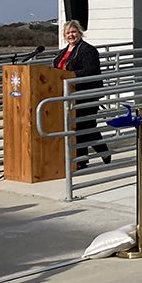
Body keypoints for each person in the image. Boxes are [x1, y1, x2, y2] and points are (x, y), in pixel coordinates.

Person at [56, 19, 111, 170]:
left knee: (83, 126)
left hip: (86, 94)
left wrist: (69, 75)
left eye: (73, 32)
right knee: (82, 127)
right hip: (69, 95)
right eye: (68, 32)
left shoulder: (88, 50)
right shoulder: (63, 52)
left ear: (80, 32)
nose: (71, 35)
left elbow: (91, 70)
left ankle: (81, 160)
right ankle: (100, 153)